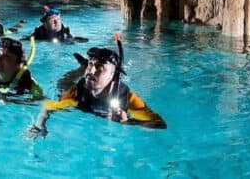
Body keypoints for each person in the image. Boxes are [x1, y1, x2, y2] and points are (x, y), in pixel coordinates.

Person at [27, 40, 165, 137]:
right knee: (62, 83)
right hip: (71, 91)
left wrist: (128, 122)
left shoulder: (127, 98)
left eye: (99, 67)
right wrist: (39, 125)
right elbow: (47, 107)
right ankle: (81, 67)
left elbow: (159, 124)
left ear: (113, 75)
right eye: (90, 65)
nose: (91, 71)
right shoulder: (77, 92)